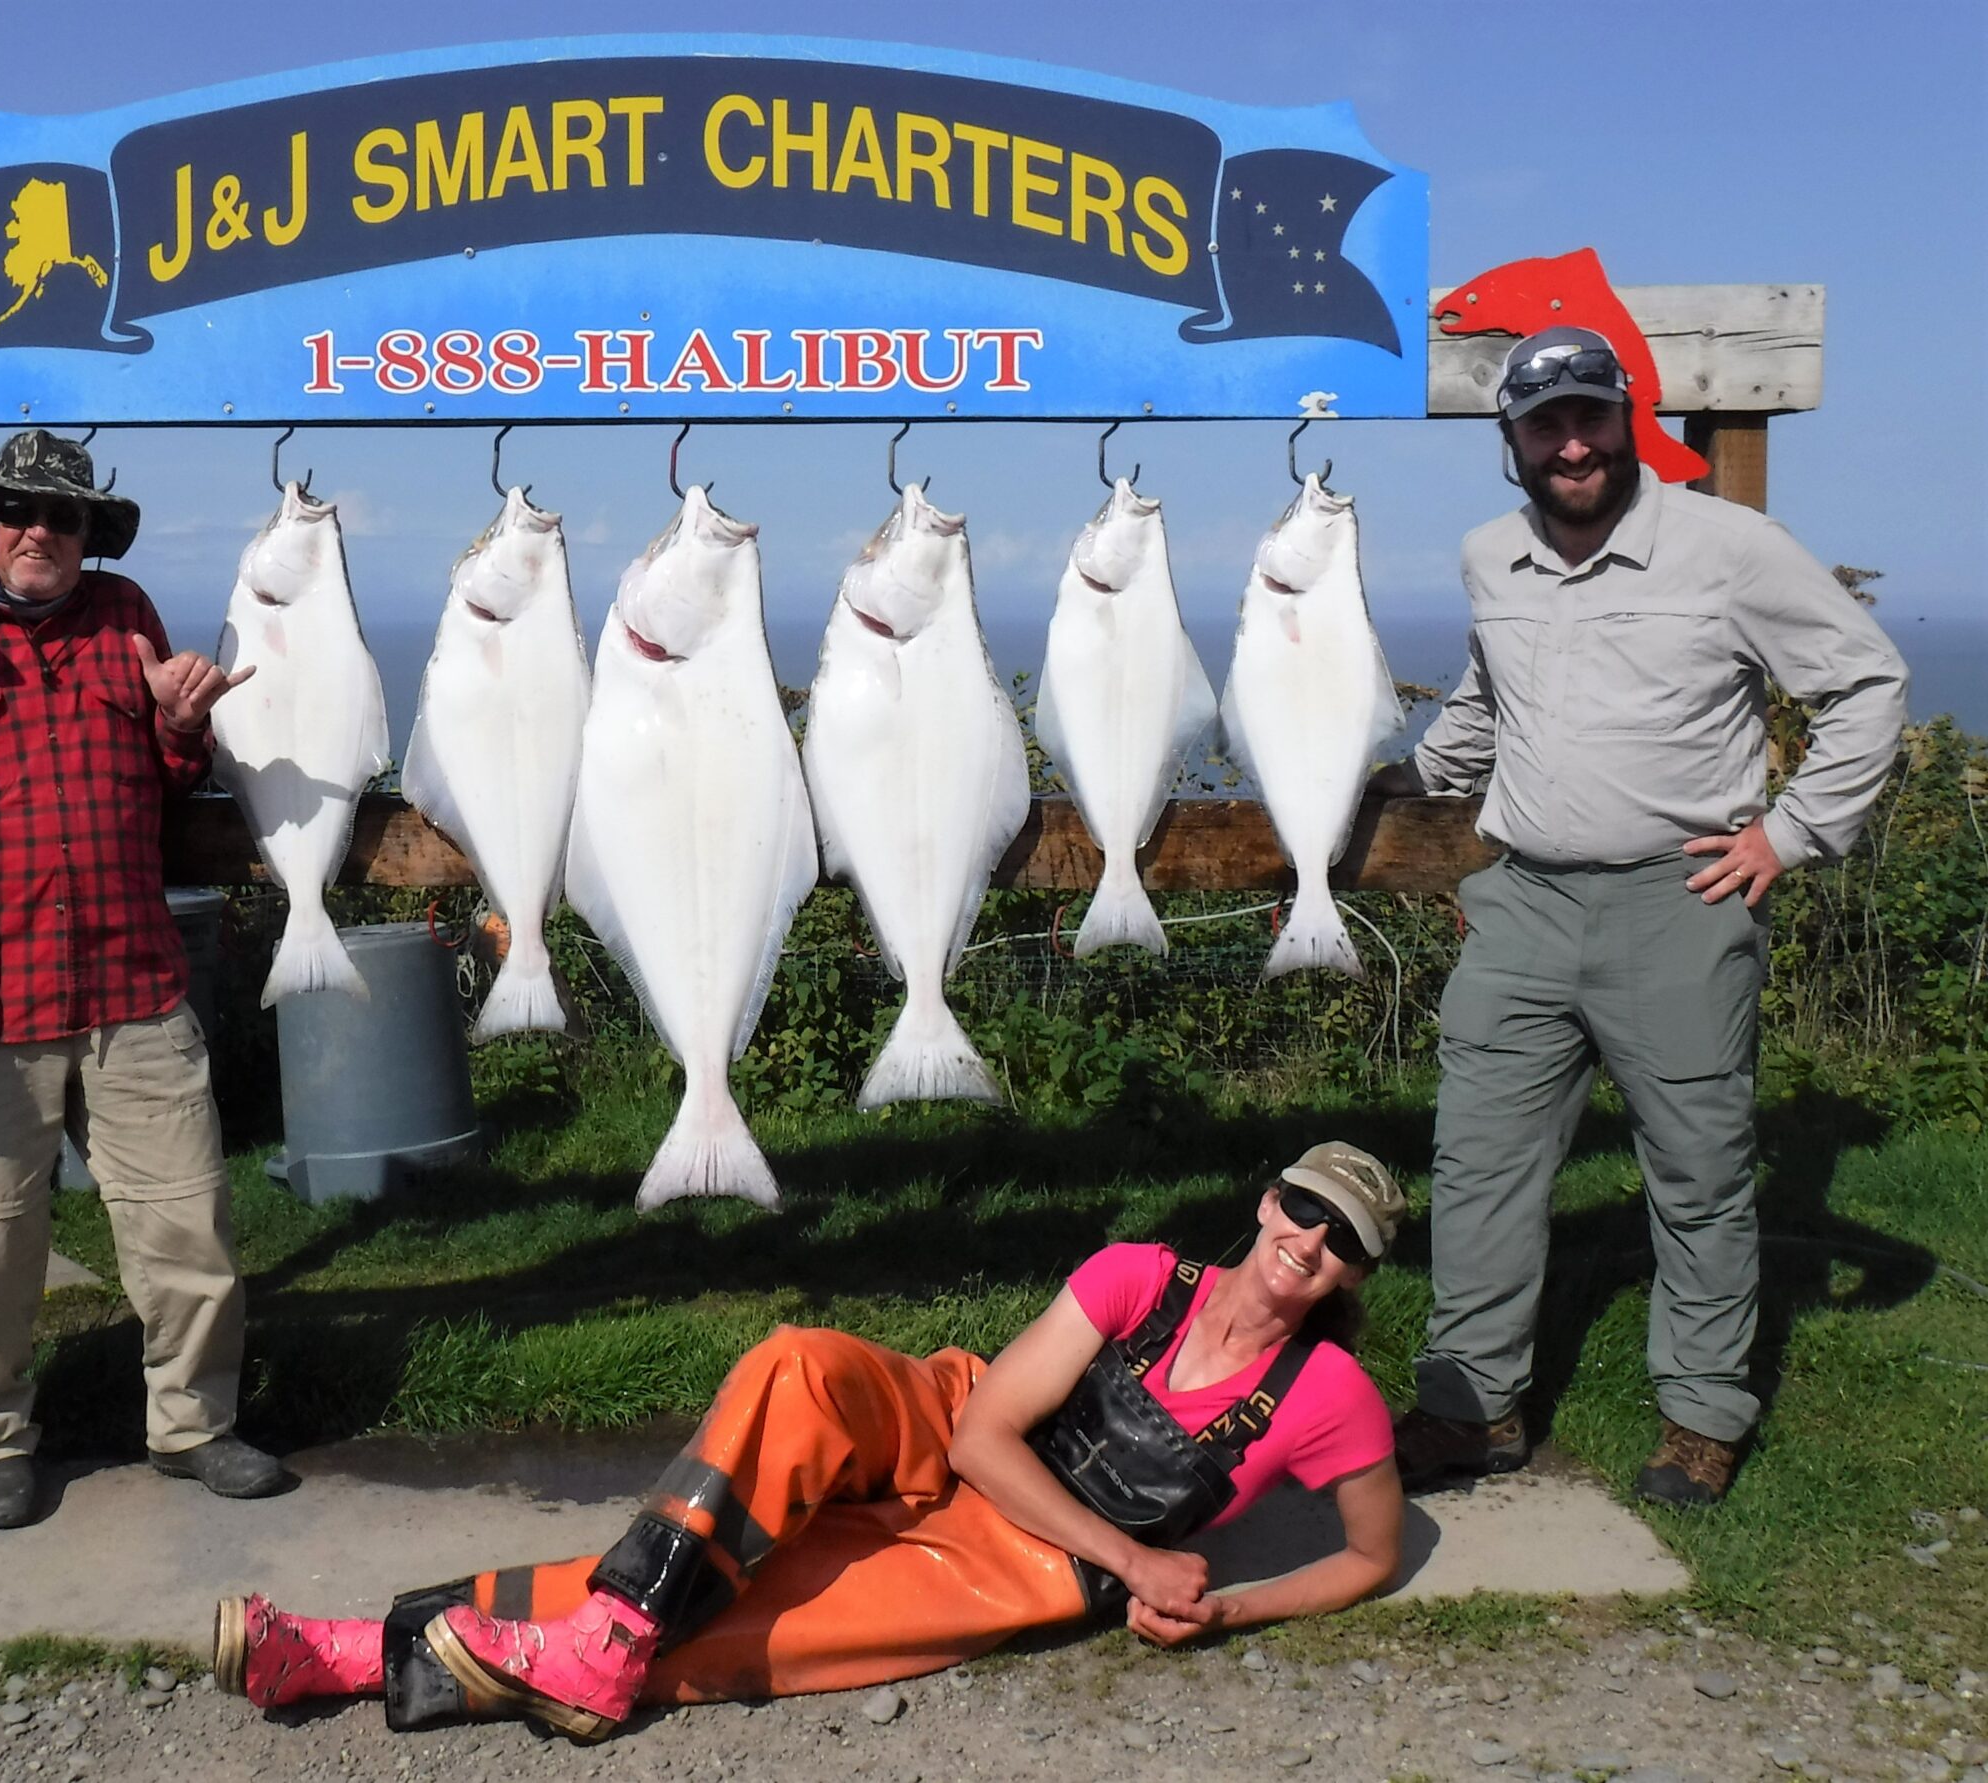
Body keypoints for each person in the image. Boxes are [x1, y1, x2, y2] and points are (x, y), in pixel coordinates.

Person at [206, 1142, 1409, 1740]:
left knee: (737, 1621)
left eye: (1340, 1239)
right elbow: (990, 1430)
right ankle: (612, 1638)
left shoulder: (1332, 1394)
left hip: (1026, 1562)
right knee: (797, 1363)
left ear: (1355, 1270)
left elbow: (1367, 1553)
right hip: (967, 1427)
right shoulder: (1141, 1273)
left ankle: (351, 1651)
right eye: (1301, 1208)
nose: (1308, 1240)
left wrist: (1222, 1606)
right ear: (1266, 1202)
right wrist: (1142, 1557)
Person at [1375, 328, 1909, 1507]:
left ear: (1625, 419)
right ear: (1507, 442)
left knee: (1699, 1168)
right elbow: (1484, 702)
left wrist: (1791, 831)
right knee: (1476, 1164)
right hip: (1519, 902)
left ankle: (1701, 1415)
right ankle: (1473, 1409)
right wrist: (1398, 787)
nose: (1570, 441)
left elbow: (1867, 681)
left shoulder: (1728, 546)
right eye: (1542, 423)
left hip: (1678, 901)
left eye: (1588, 415)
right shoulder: (1488, 556)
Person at [0, 429, 285, 1529]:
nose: (39, 532)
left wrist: (180, 723)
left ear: (88, 535)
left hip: (132, 980)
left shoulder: (128, 619)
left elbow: (168, 780)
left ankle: (195, 1425)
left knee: (189, 1227)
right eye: (18, 514)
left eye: (62, 517)